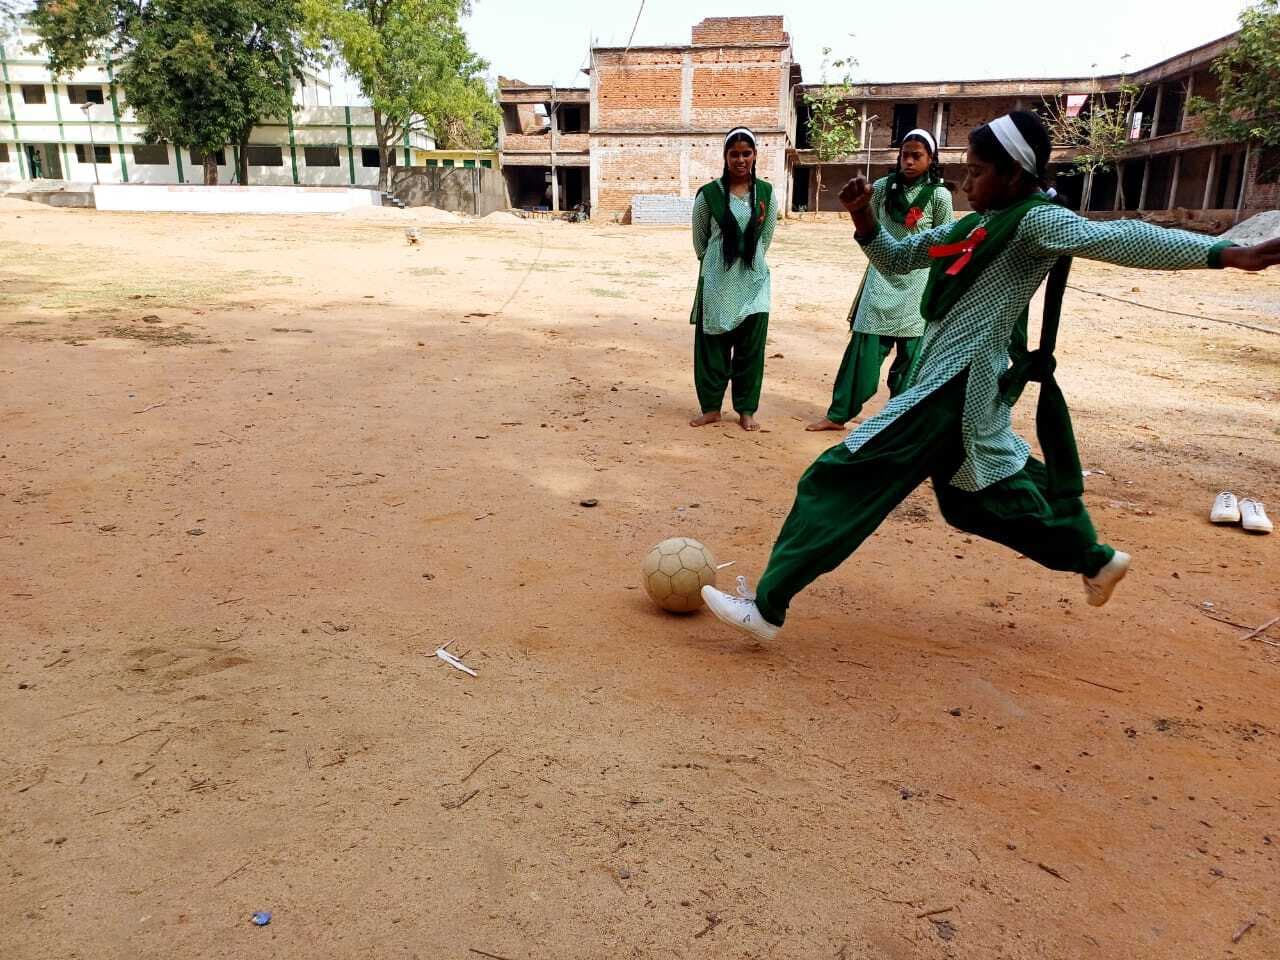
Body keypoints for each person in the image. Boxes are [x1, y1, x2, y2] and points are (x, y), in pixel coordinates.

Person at [700, 111, 1280, 641]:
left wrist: (1229, 254)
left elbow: (1123, 236)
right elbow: (900, 258)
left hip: (953, 385)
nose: (965, 183)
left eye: (976, 172)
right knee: (973, 502)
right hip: (962, 383)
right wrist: (861, 214)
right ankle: (1092, 557)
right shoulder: (980, 224)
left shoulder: (1035, 223)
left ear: (1012, 173)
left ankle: (768, 607)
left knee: (839, 476)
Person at [809, 129, 954, 432]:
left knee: (911, 360)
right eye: (905, 155)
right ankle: (838, 415)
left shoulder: (940, 196)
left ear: (931, 159)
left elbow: (946, 244)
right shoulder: (881, 188)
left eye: (917, 156)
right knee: (864, 351)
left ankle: (901, 420)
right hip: (881, 278)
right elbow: (867, 224)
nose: (910, 161)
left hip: (918, 284)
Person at [689, 128, 780, 432]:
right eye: (734, 154)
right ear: (725, 157)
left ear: (755, 156)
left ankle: (746, 410)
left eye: (746, 153)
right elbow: (701, 243)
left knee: (750, 351)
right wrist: (719, 263)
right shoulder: (708, 195)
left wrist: (746, 260)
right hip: (717, 281)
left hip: (754, 283)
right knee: (712, 347)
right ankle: (711, 409)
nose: (740, 159)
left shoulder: (766, 193)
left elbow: (765, 240)